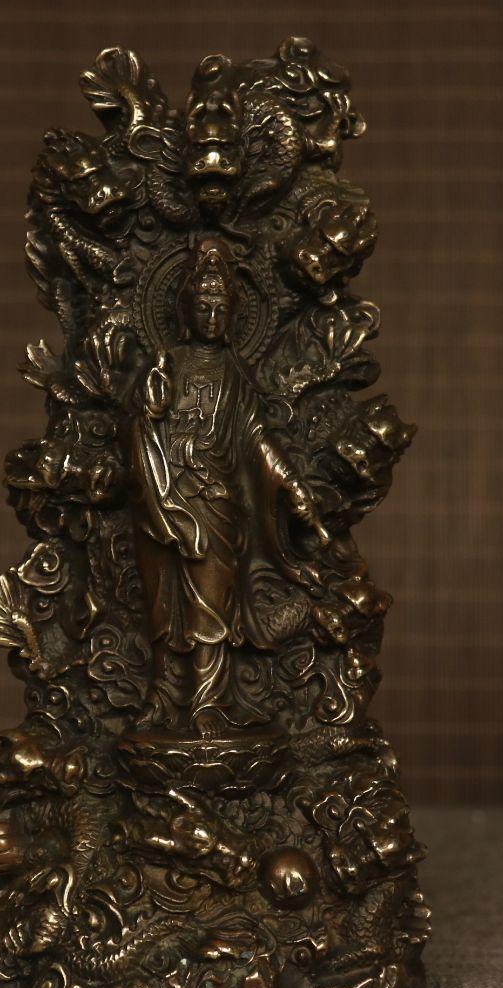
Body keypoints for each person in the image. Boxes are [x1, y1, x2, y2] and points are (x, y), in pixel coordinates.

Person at [128, 240, 328, 736]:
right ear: (185, 311)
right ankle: (163, 696)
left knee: (210, 608)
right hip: (162, 496)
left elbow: (256, 440)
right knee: (164, 607)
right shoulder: (167, 363)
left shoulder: (236, 375)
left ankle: (208, 703)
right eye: (204, 307)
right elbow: (141, 426)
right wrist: (148, 411)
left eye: (221, 309)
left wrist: (290, 483)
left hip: (214, 501)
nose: (213, 318)